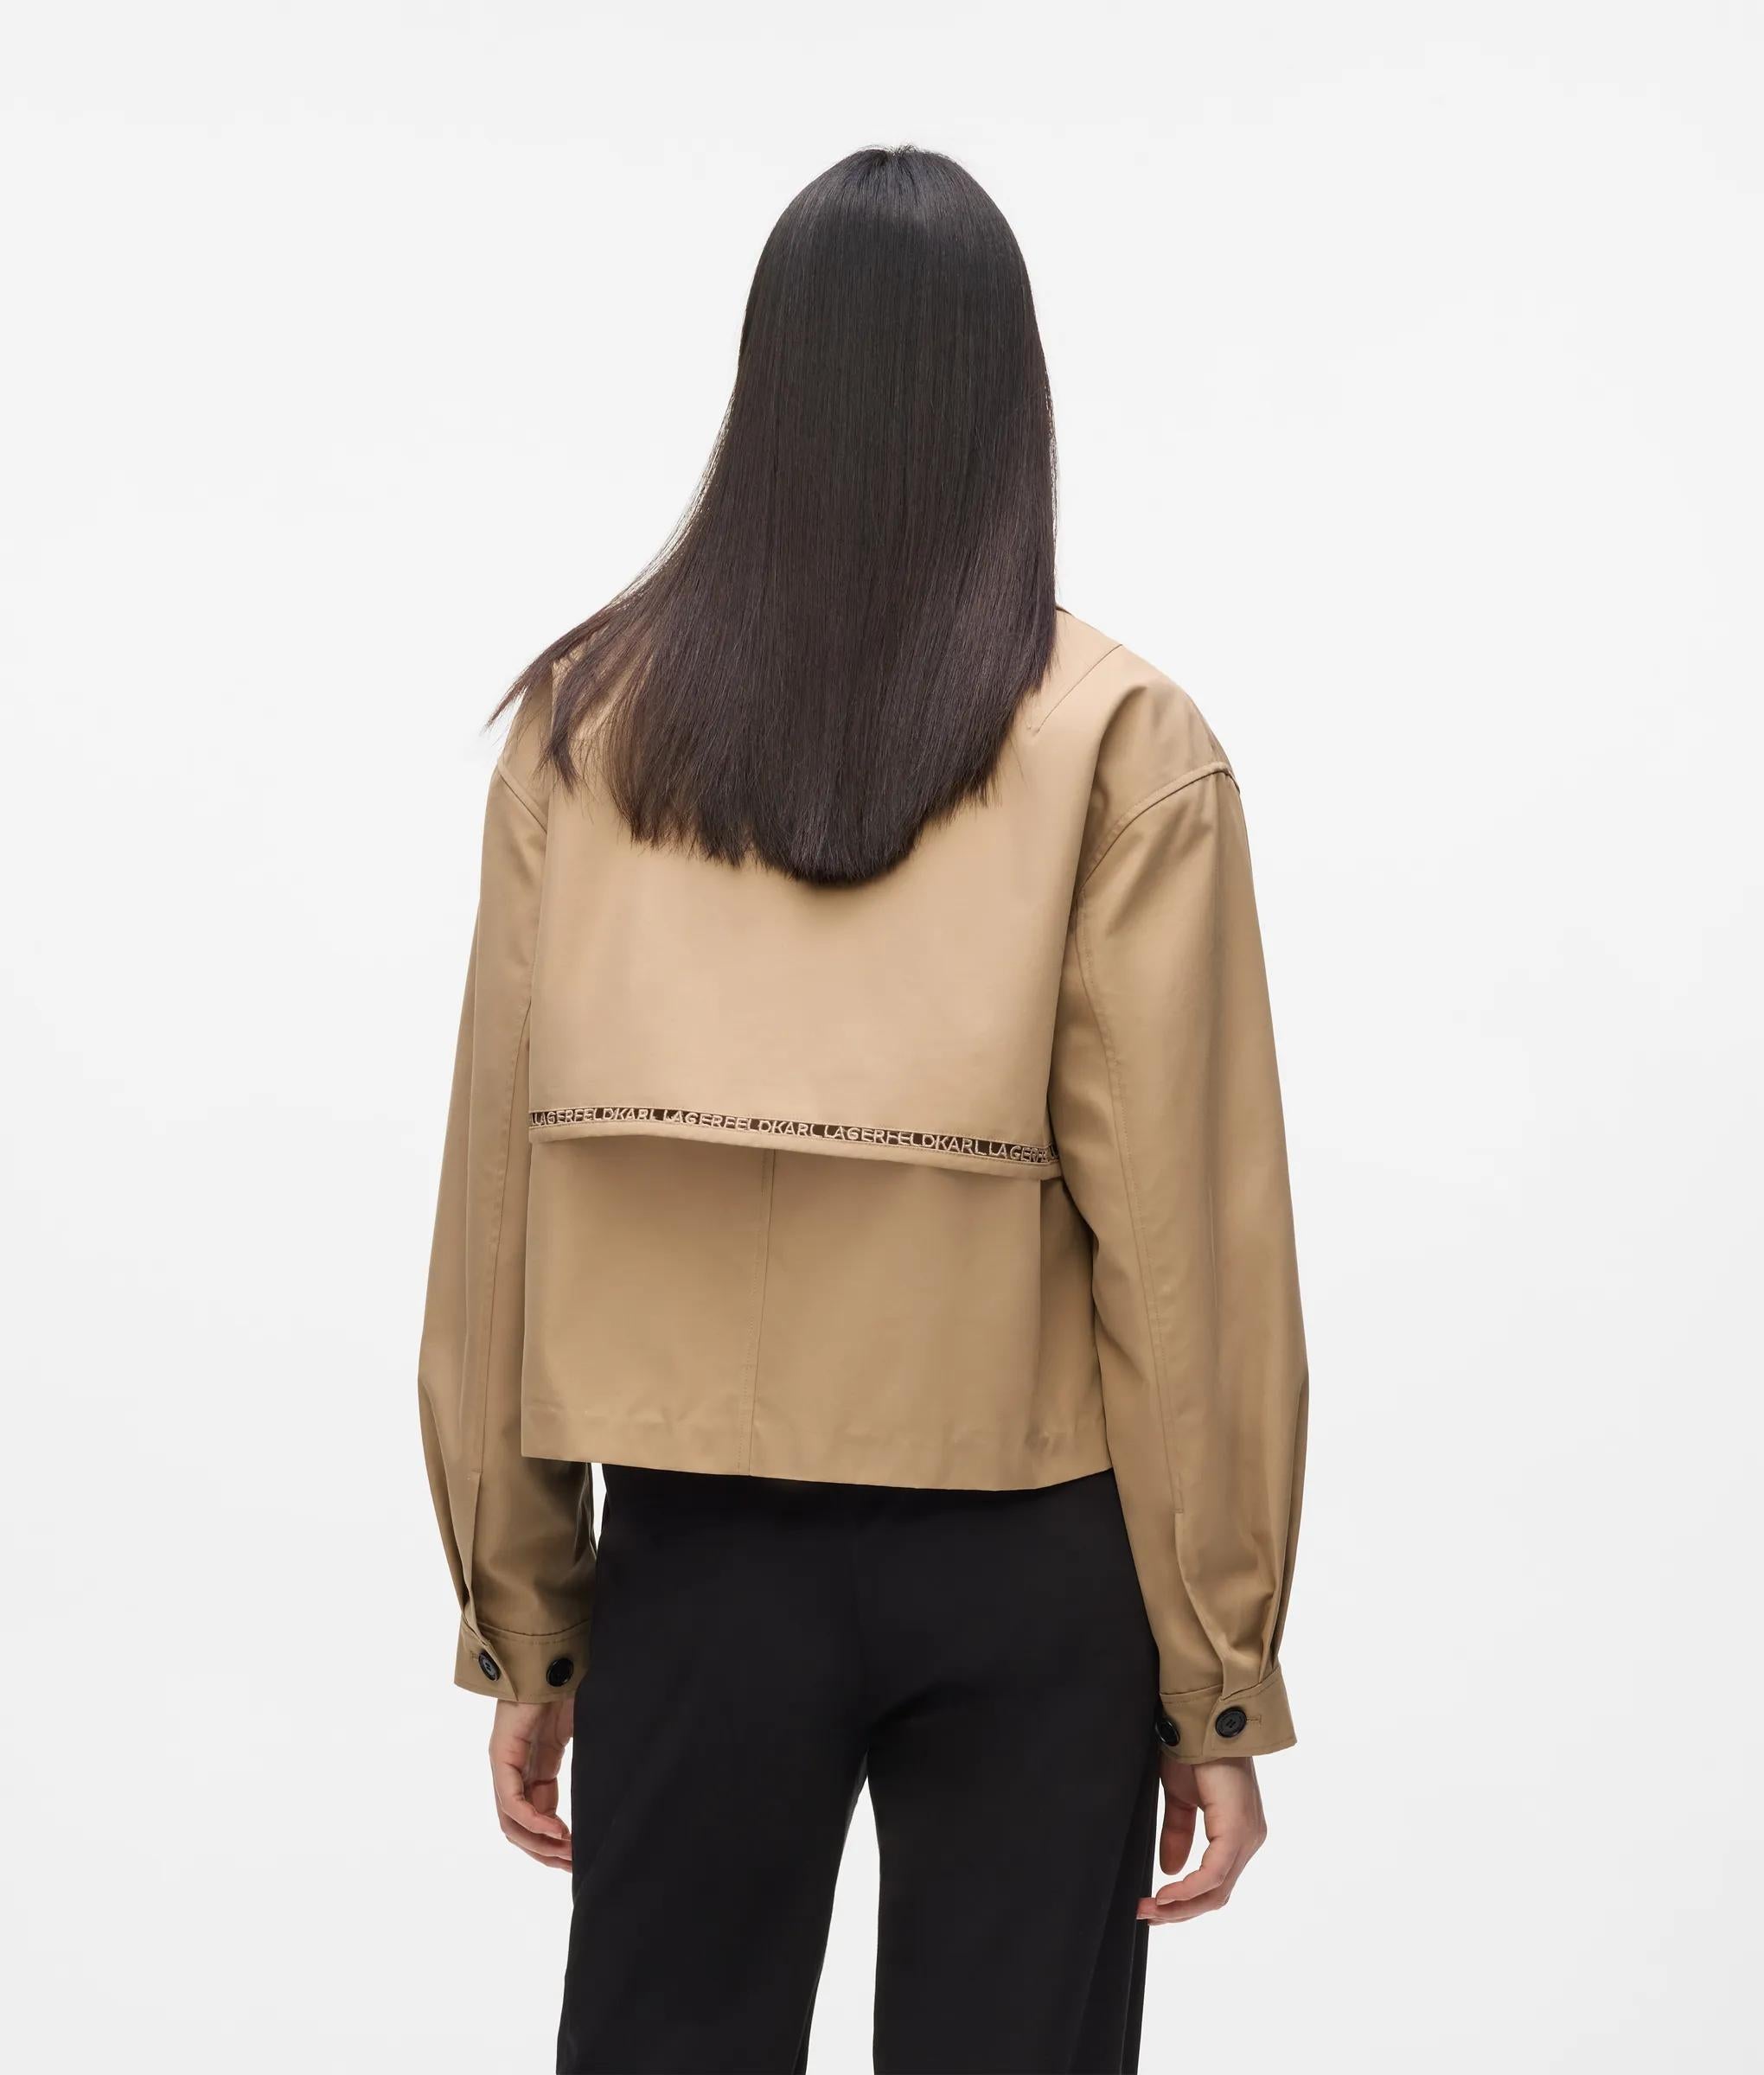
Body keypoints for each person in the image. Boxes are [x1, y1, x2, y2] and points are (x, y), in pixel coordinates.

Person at [418, 144, 1307, 2075]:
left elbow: (497, 1211)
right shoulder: (1121, 737)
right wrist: (1217, 1675)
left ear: (770, 385)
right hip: (1037, 1557)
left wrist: (526, 1615)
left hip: (694, 1559)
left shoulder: (581, 732)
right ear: (1010, 398)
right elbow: (1186, 1259)